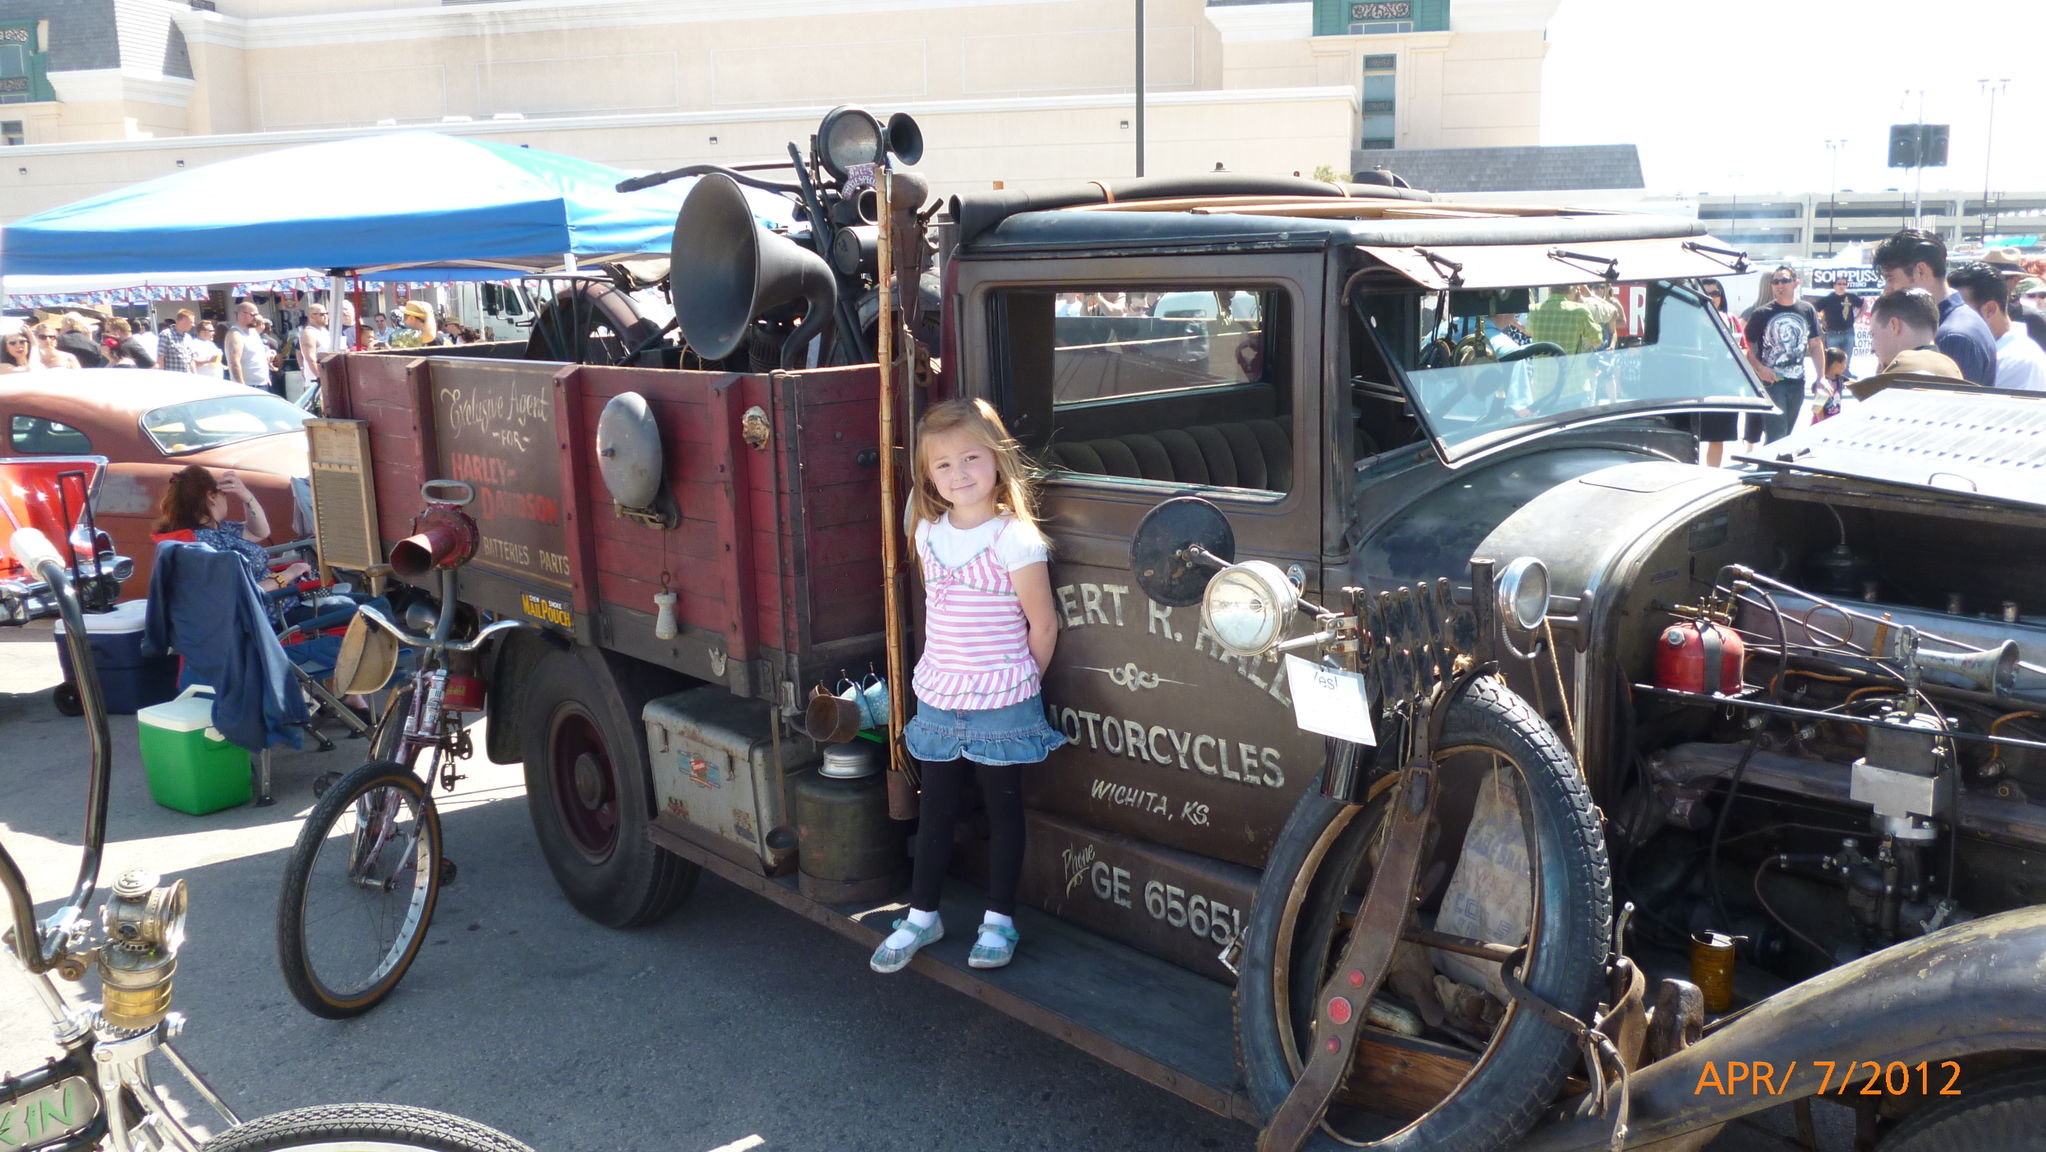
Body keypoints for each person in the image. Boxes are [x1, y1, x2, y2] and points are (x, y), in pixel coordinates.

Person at [870, 398, 1065, 975]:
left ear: (998, 460)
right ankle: (922, 914)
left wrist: (1018, 688)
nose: (960, 474)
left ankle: (999, 920)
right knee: (938, 809)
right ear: (929, 477)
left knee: (1003, 811)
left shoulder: (1016, 539)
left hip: (1002, 700)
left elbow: (1043, 624)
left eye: (972, 458)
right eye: (944, 465)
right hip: (939, 693)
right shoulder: (927, 528)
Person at [154, 464, 313, 614]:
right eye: (224, 494)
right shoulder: (207, 543)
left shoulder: (211, 532)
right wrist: (287, 575)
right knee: (337, 616)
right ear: (211, 497)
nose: (226, 500)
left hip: (279, 605)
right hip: (275, 617)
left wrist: (247, 497)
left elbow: (259, 532)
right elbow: (237, 596)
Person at [1871, 229, 1997, 386]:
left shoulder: (1952, 336)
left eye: (1890, 278)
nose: (1887, 289)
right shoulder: (1954, 323)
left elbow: (1944, 405)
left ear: (1921, 270)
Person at [1743, 265, 1825, 441]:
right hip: (1773, 382)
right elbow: (1745, 347)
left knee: (1786, 434)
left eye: (1784, 280)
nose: (1779, 285)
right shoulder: (1761, 313)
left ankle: (1774, 466)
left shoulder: (1806, 309)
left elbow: (1816, 345)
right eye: (1775, 281)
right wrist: (1760, 368)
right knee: (1776, 435)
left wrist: (1821, 377)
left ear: (1796, 283)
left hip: (1797, 381)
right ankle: (1769, 468)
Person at [1948, 261, 2046, 393]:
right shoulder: (1995, 351)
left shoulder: (2018, 362)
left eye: (1962, 310)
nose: (1953, 318)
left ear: (1990, 309)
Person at [1695, 278, 1750, 465]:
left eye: (1715, 293)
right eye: (1706, 293)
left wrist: (1737, 353)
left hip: (1724, 383)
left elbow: (1744, 347)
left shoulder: (1731, 319)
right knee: (1691, 434)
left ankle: (1711, 474)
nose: (1711, 297)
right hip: (1698, 381)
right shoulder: (1692, 317)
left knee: (1717, 436)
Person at [1868, 288, 1965, 379]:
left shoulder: (1900, 376)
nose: (1872, 348)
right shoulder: (1953, 371)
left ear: (1894, 325)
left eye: (1873, 334)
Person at [1814, 276, 1862, 357]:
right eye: (1839, 284)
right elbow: (1815, 309)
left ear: (1846, 286)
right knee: (1833, 361)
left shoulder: (1851, 297)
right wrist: (1822, 321)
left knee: (1846, 361)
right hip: (1833, 334)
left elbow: (1864, 304)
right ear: (1834, 285)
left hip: (1848, 333)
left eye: (1844, 284)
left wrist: (1858, 317)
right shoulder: (1828, 298)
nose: (1841, 286)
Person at [226, 301, 270, 389]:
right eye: (254, 315)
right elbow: (234, 362)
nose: (257, 318)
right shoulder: (235, 334)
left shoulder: (253, 331)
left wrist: (266, 377)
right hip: (249, 386)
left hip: (261, 384)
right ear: (242, 314)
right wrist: (242, 386)